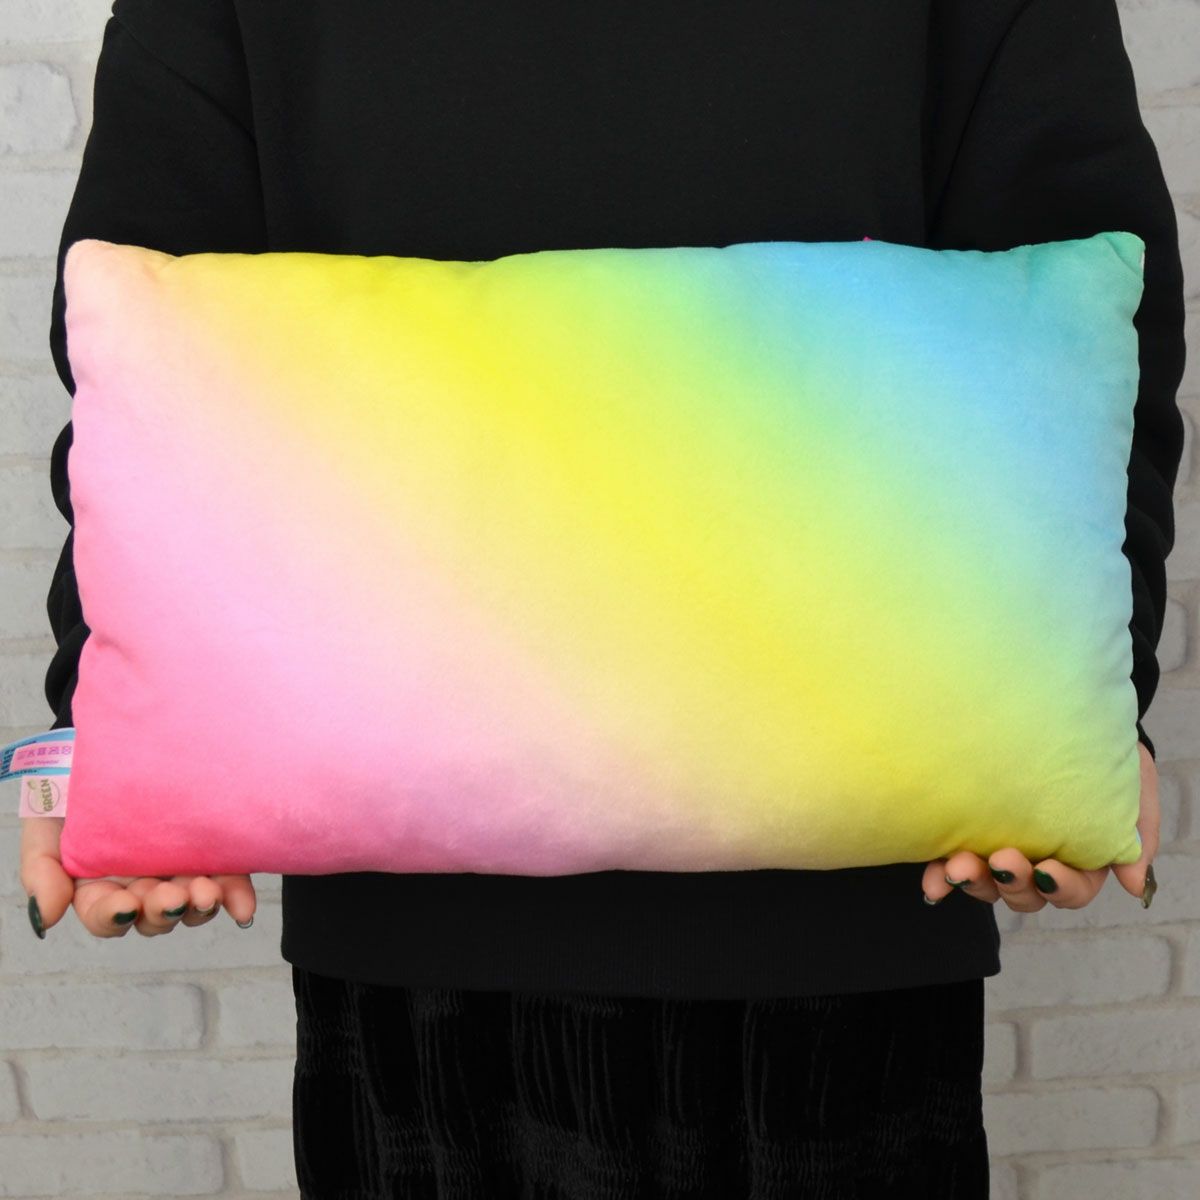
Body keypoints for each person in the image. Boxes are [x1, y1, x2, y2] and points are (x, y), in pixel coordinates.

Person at [19, 0, 1184, 1195]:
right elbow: (148, 325)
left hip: (847, 902)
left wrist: (1089, 685)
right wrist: (98, 728)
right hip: (428, 915)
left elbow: (1084, 283)